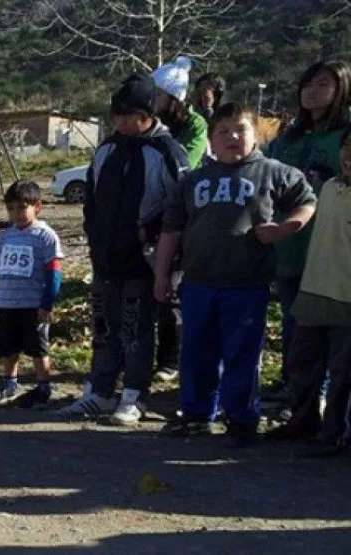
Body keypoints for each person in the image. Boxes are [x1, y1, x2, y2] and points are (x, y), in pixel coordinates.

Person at [154, 103, 316, 447]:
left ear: (255, 134)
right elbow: (172, 229)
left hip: (247, 284)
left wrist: (286, 229)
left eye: (240, 129)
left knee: (241, 352)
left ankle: (241, 418)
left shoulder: (272, 172)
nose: (232, 137)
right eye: (223, 131)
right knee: (196, 351)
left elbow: (307, 201)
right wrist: (161, 274)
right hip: (198, 282)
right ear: (211, 139)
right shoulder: (193, 179)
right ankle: (197, 415)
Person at [59, 73, 189, 424]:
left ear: (147, 115)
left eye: (129, 114)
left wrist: (150, 235)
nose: (121, 121)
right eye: (116, 114)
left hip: (142, 260)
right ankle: (99, 391)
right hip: (105, 257)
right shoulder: (107, 148)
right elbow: (92, 196)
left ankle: (134, 394)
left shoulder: (166, 151)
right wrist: (94, 234)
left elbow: (180, 206)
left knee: (136, 328)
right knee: (103, 326)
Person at [266, 61, 351, 396]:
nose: (312, 92)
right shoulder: (289, 136)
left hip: (330, 244)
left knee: (327, 326)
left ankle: (324, 394)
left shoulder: (344, 136)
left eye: (323, 84)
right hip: (288, 241)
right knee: (293, 319)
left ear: (342, 88)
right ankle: (294, 385)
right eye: (307, 84)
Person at [270, 127, 351, 454]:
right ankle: (303, 421)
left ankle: (332, 434)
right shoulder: (329, 187)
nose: (350, 154)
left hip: (347, 299)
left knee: (342, 374)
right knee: (302, 364)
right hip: (314, 291)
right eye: (347, 146)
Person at [150, 56, 210, 384]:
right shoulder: (151, 125)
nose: (153, 101)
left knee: (171, 288)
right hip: (153, 212)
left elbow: (187, 160)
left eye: (158, 95)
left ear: (173, 98)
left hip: (184, 214)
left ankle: (172, 358)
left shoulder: (196, 125)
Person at [0, 181, 63, 407]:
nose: (16, 213)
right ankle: (10, 383)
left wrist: (47, 304)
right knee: (8, 348)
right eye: (11, 209)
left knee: (38, 348)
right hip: (6, 303)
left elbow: (54, 274)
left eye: (21, 207)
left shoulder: (45, 236)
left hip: (32, 305)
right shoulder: (5, 237)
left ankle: (43, 387)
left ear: (37, 206)